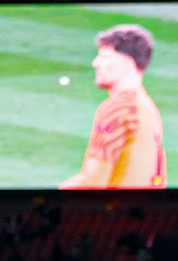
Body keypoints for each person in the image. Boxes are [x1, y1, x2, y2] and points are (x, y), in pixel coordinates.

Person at [61, 24, 166, 190]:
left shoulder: (118, 109)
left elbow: (93, 183)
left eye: (104, 57)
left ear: (126, 63)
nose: (95, 63)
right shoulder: (148, 108)